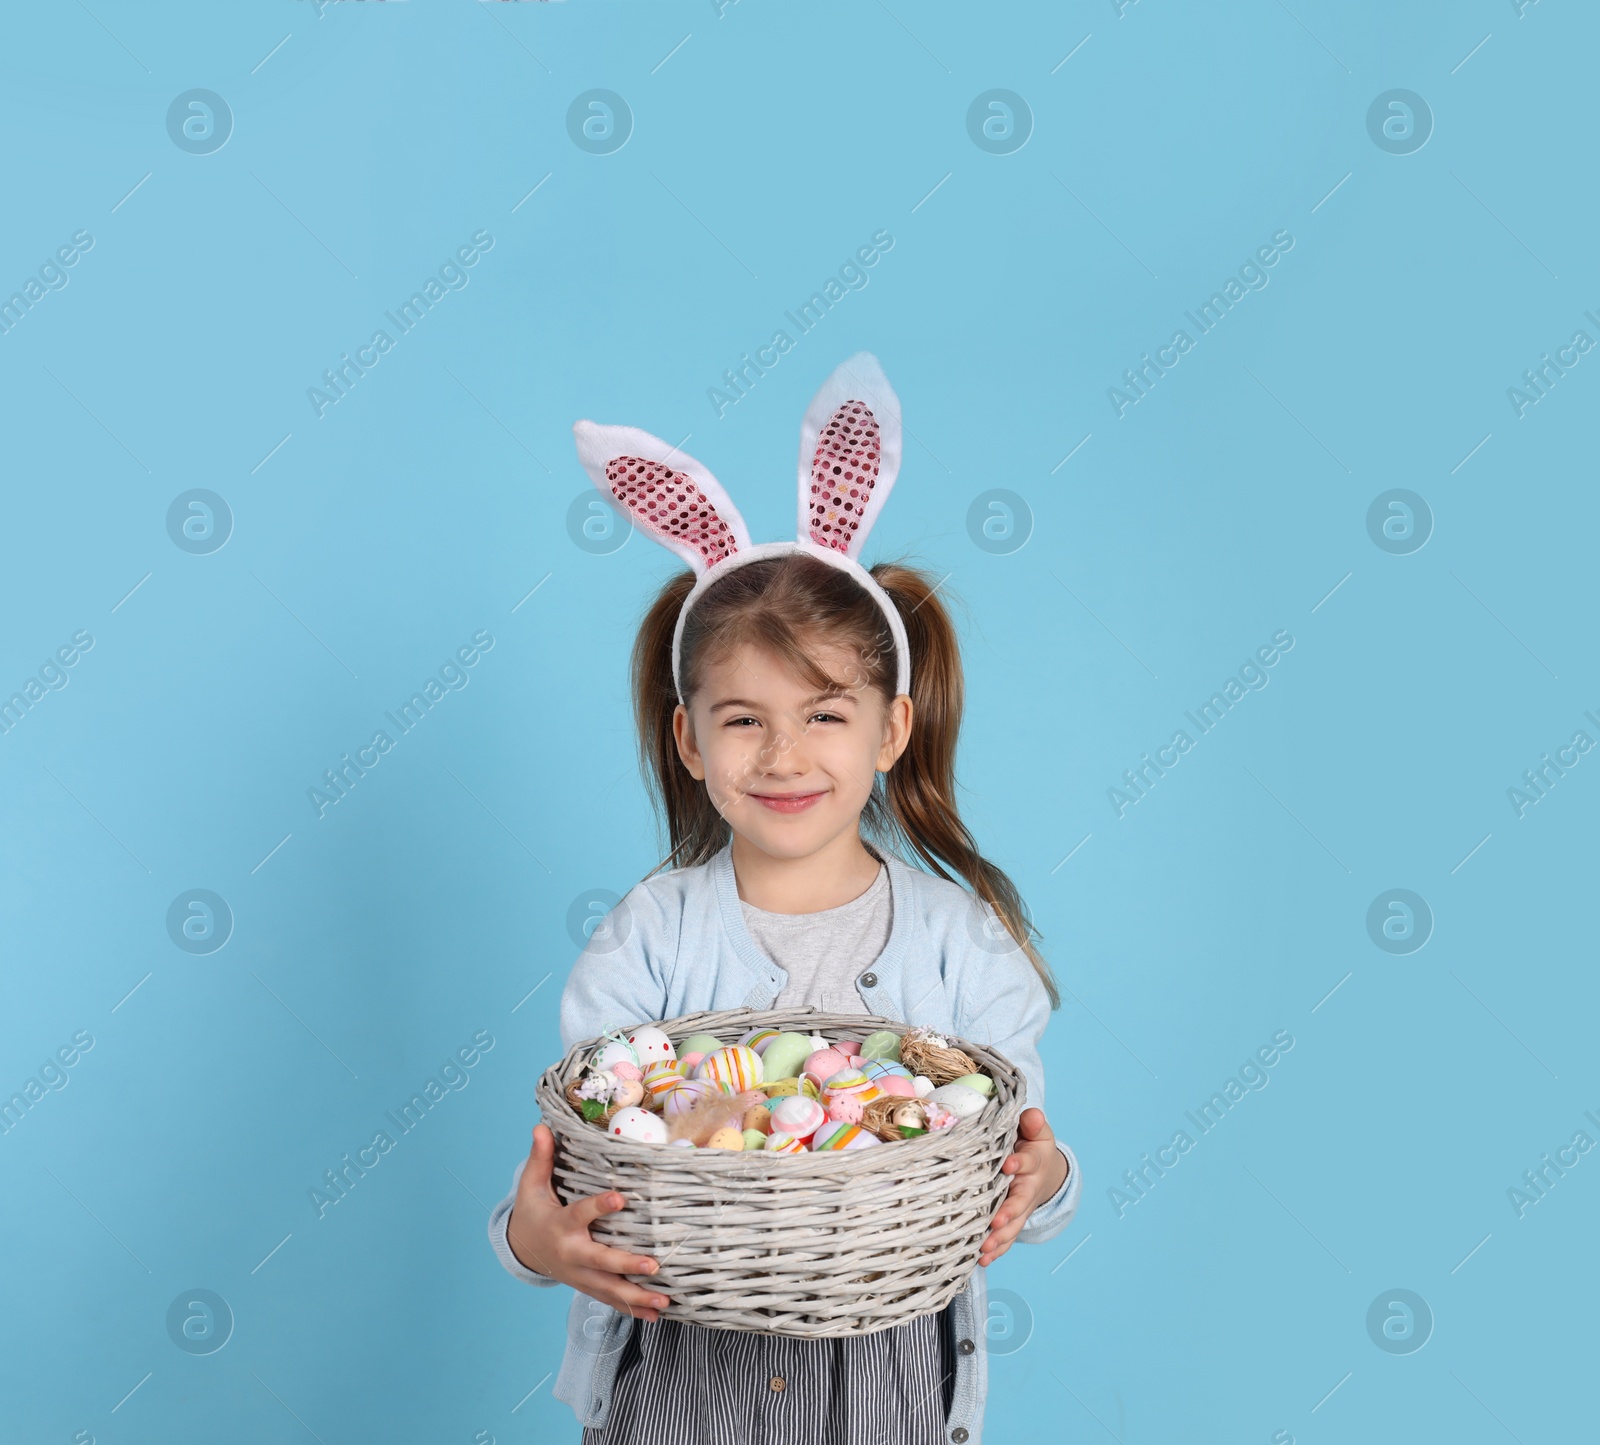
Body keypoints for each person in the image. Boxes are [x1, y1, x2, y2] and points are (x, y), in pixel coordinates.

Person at [487, 355, 1081, 1444]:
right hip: (680, 1388)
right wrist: (534, 1240)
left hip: (884, 1390)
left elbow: (1017, 1138)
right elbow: (586, 1158)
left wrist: (1043, 1176)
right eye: (744, 718)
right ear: (691, 740)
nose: (783, 754)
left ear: (889, 731)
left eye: (824, 714)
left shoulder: (958, 942)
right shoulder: (650, 938)